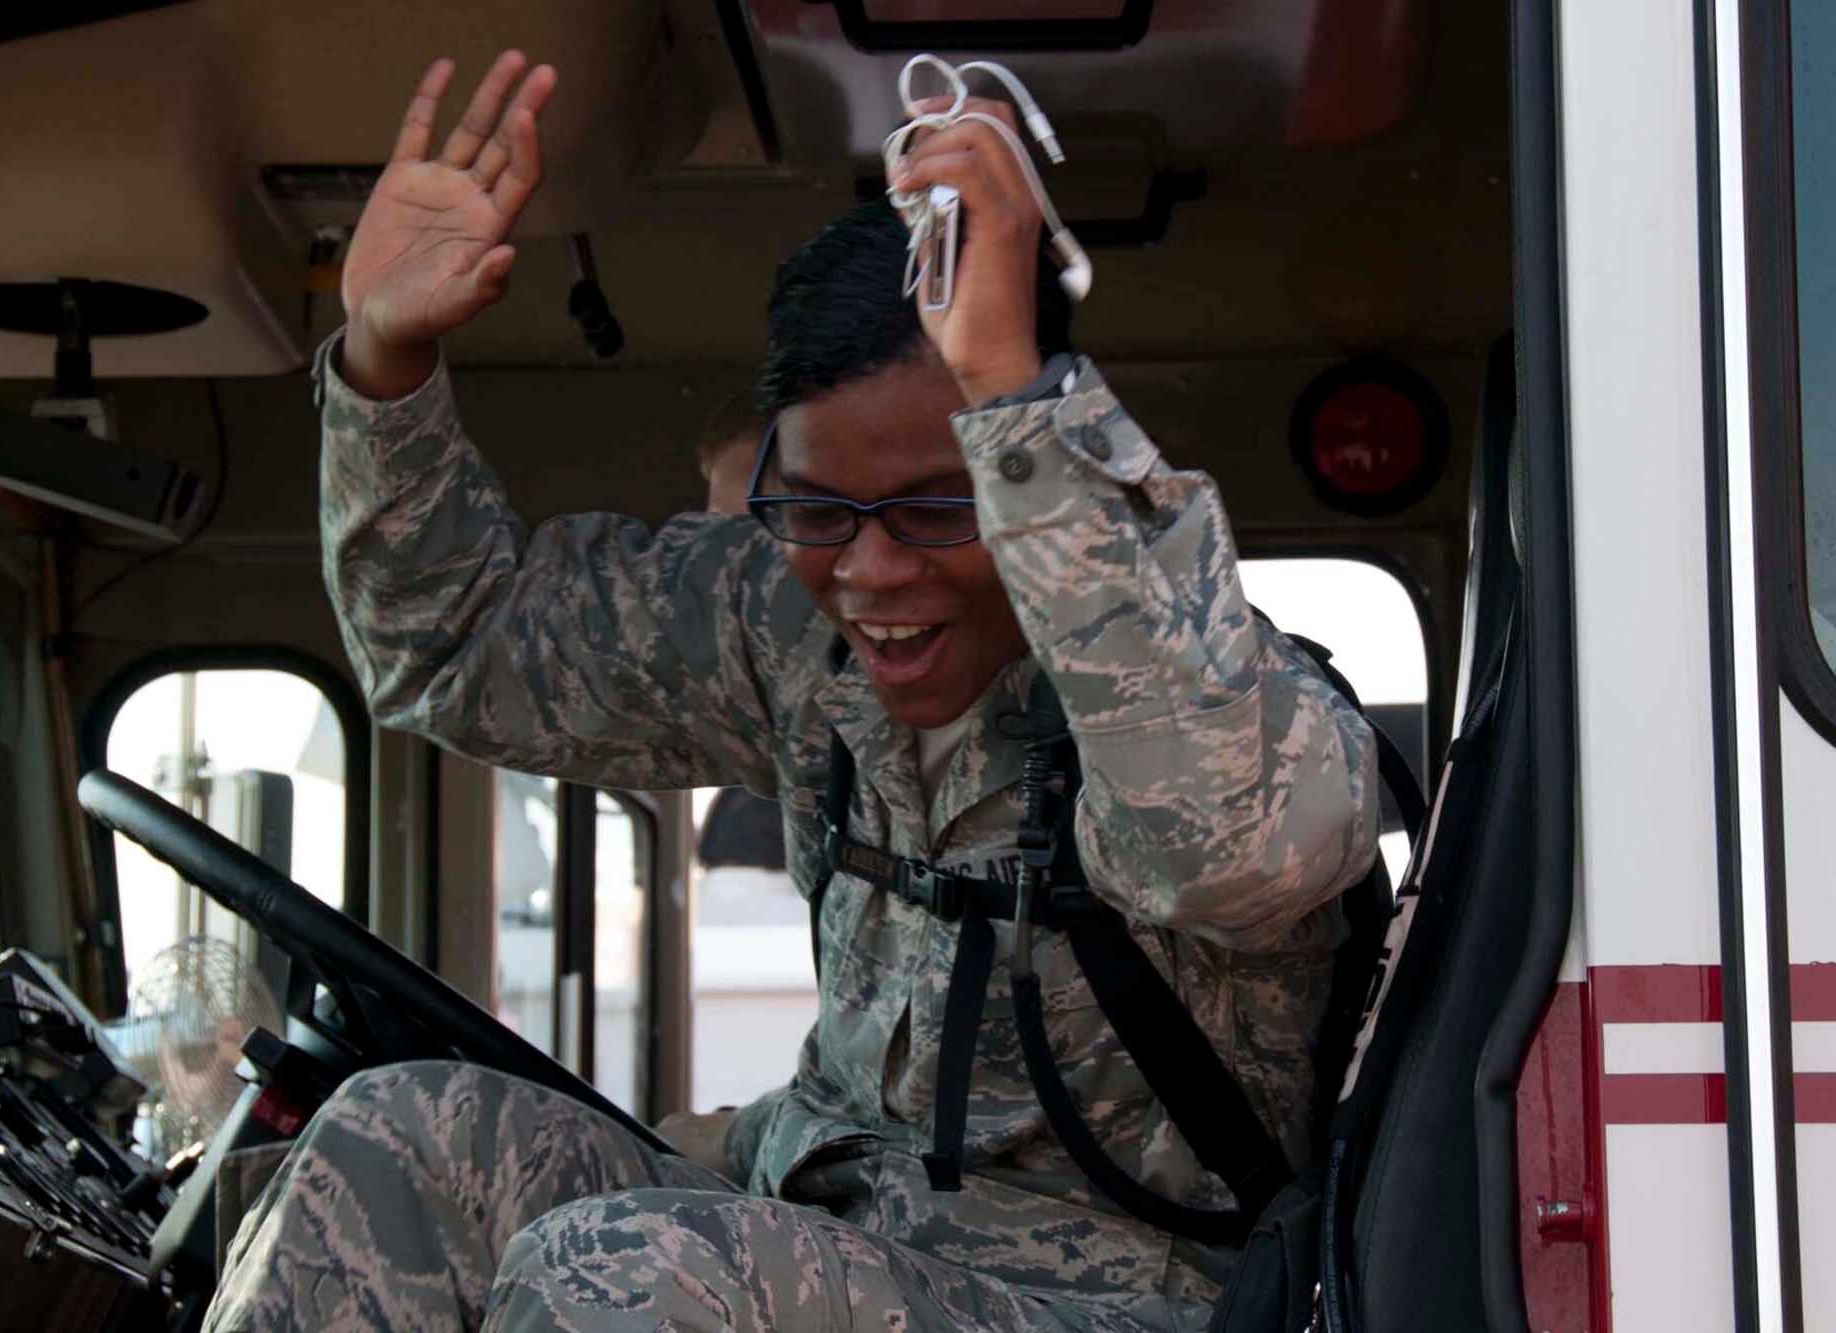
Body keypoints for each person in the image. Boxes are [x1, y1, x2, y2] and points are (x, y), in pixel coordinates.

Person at [207, 48, 1378, 1333]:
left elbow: (1235, 851)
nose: (870, 570)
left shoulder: (1187, 681)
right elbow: (455, 644)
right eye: (819, 508)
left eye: (939, 504)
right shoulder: (790, 629)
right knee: (402, 1130)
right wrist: (383, 361)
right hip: (831, 1226)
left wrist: (1013, 393)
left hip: (1112, 1302)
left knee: (634, 1267)